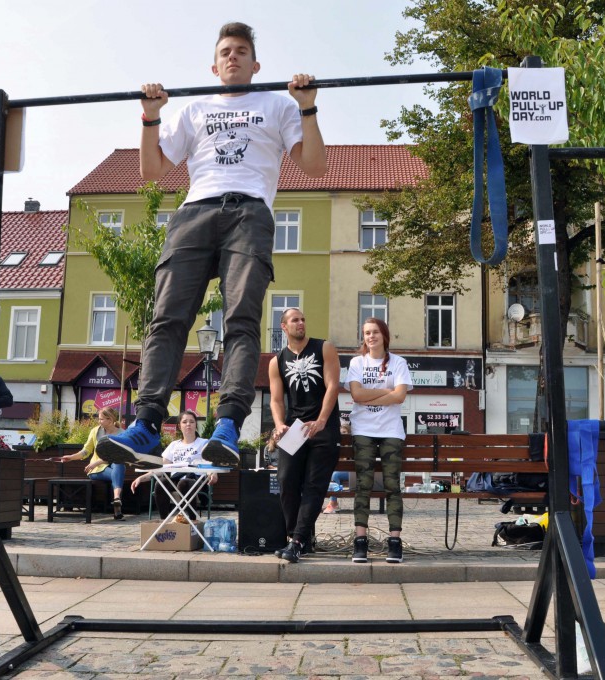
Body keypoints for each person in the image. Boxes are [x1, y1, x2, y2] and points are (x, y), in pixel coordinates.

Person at [96, 22, 328, 471]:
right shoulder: (195, 108)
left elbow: (314, 167)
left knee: (241, 319)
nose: (233, 57)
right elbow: (151, 169)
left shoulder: (277, 105)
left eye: (242, 51)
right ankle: (145, 423)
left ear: (255, 64)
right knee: (167, 318)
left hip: (249, 213)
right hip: (194, 213)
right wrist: (149, 116)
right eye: (226, 51)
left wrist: (308, 108)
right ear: (214, 63)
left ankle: (226, 426)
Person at [268, 307, 341, 563]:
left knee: (314, 486)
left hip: (323, 427)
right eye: (295, 320)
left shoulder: (324, 348)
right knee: (286, 479)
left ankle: (298, 541)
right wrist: (279, 424)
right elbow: (277, 399)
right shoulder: (277, 361)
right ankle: (297, 537)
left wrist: (322, 420)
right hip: (295, 428)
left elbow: (333, 385)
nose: (301, 323)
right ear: (284, 327)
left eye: (303, 318)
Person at [347, 318, 413, 563]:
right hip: (363, 429)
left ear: (384, 335)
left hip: (391, 431)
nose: (370, 337)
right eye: (366, 333)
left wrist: (368, 398)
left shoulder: (399, 363)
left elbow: (400, 397)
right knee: (363, 485)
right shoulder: (357, 362)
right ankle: (360, 541)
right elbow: (356, 394)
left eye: (375, 332)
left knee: (392, 486)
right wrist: (387, 392)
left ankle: (394, 542)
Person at [131, 411, 218, 521]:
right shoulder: (174, 445)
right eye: (184, 422)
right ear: (179, 426)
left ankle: (191, 520)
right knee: (161, 482)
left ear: (196, 425)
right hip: (176, 479)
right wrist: (142, 477)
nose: (188, 424)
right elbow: (161, 468)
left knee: (184, 483)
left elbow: (210, 463)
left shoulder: (204, 443)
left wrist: (213, 474)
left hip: (195, 480)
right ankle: (165, 522)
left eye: (191, 422)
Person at [60, 408, 127, 521]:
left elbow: (117, 456)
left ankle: (116, 499)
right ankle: (117, 503)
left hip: (105, 465)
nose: (98, 421)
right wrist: (71, 457)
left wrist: (96, 462)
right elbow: (85, 451)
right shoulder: (95, 431)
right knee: (118, 471)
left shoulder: (122, 434)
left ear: (110, 420)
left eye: (101, 419)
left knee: (118, 465)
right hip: (96, 470)